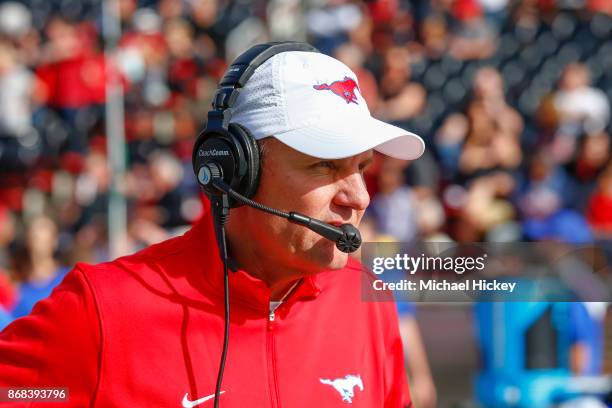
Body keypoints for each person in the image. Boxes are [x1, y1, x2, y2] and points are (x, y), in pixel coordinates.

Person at [0, 42, 425, 407]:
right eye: (324, 165)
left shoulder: (368, 301)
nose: (360, 197)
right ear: (236, 170)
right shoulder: (102, 308)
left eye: (362, 167)